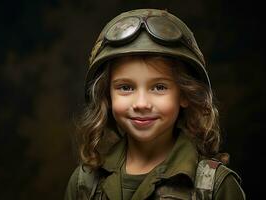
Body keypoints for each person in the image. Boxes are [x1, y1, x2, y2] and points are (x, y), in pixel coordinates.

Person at [65, 9, 245, 200]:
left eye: (159, 87)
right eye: (125, 87)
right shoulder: (84, 183)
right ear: (107, 97)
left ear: (184, 95)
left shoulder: (214, 186)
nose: (141, 104)